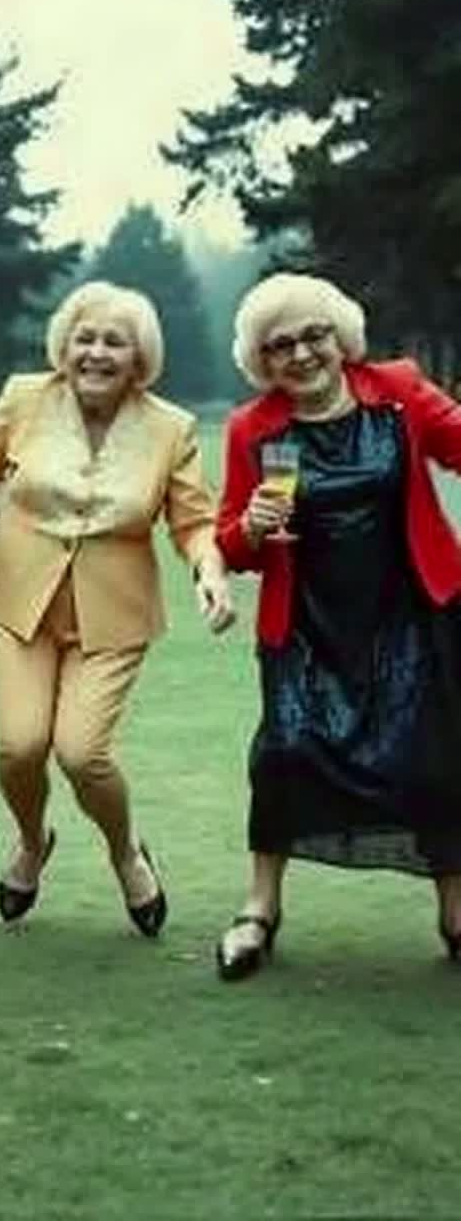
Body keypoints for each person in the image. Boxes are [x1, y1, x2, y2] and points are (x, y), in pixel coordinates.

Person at [0, 279, 234, 937]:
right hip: (20, 599)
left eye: (114, 343)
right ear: (64, 345)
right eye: (86, 338)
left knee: (81, 753)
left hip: (113, 613)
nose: (97, 353)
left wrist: (210, 572)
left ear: (139, 358)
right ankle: (30, 841)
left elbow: (193, 522)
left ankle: (126, 852)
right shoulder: (24, 397)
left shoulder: (171, 428)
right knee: (20, 747)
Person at [215, 270, 461, 981]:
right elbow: (233, 543)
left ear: (340, 336)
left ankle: (455, 910)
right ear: (262, 359)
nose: (301, 354)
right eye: (280, 345)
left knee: (438, 758)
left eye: (313, 335)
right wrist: (251, 527)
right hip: (308, 624)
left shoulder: (398, 391)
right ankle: (260, 907)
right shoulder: (254, 428)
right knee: (283, 753)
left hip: (410, 615)